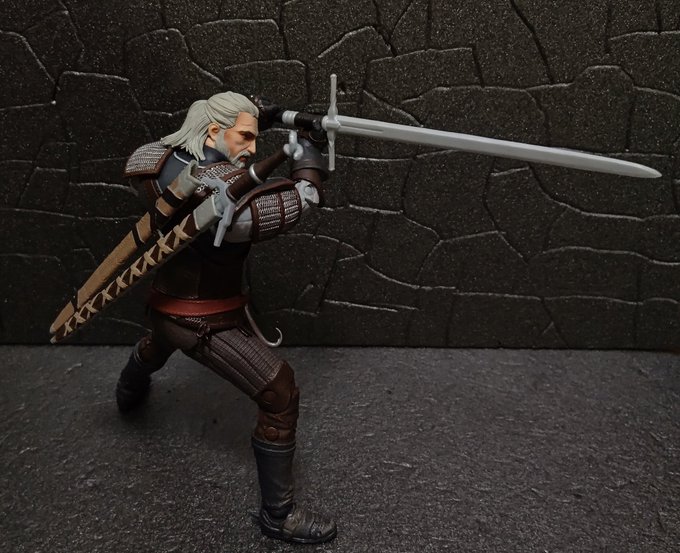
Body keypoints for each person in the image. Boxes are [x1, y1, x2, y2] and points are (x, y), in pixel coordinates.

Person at [115, 91, 336, 544]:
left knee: (159, 341)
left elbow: (151, 154)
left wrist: (259, 117)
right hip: (203, 319)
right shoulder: (224, 207)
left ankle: (128, 388)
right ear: (213, 130)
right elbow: (301, 201)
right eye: (245, 137)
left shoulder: (156, 166)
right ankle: (278, 515)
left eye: (254, 139)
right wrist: (309, 156)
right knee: (279, 392)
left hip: (166, 304)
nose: (252, 149)